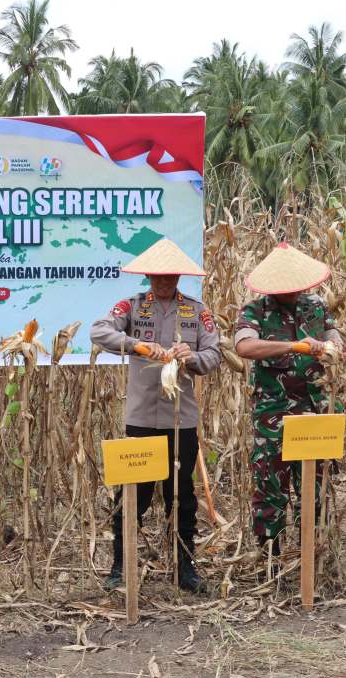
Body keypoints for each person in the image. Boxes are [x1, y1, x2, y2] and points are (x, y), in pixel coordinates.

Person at [90, 238, 222, 594]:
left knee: (181, 497)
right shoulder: (132, 307)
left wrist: (189, 357)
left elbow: (214, 354)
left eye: (170, 275)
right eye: (157, 275)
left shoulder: (196, 311)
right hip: (141, 420)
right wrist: (138, 345)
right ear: (148, 275)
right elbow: (99, 331)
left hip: (181, 422)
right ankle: (120, 566)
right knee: (132, 496)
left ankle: (184, 568)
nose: (163, 281)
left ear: (178, 275)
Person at [233, 243, 343, 555]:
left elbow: (334, 333)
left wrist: (332, 345)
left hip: (314, 408)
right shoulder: (256, 311)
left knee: (316, 484)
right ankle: (272, 557)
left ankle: (314, 554)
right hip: (274, 413)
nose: (294, 291)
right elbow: (244, 347)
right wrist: (294, 346)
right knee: (271, 484)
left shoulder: (316, 305)